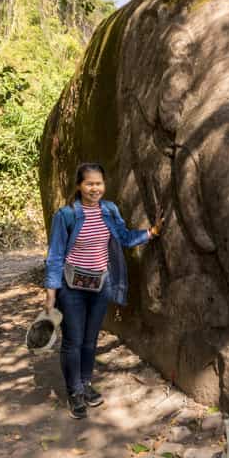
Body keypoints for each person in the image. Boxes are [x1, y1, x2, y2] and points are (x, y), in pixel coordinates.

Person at [44, 162, 163, 419]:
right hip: (71, 288)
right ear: (79, 186)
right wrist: (51, 292)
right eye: (89, 184)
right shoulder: (66, 215)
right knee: (73, 341)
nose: (95, 188)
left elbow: (122, 237)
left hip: (99, 285)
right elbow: (54, 256)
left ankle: (85, 383)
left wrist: (150, 233)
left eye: (99, 183)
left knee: (90, 339)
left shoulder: (109, 210)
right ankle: (74, 391)